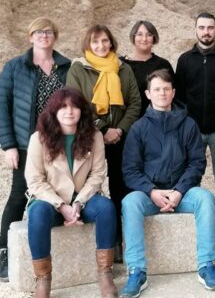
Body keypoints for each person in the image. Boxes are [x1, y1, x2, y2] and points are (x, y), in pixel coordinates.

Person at [120, 70, 215, 297]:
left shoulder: (188, 125)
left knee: (206, 198)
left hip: (182, 193)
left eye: (166, 89)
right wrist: (151, 191)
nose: (162, 93)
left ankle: (206, 265)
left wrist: (179, 191)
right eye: (157, 89)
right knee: (129, 202)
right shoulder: (138, 128)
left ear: (173, 92)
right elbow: (130, 170)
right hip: (149, 195)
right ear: (148, 94)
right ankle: (137, 271)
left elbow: (197, 163)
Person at [25, 88, 117, 298]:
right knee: (37, 213)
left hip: (83, 199)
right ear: (54, 111)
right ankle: (43, 280)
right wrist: (61, 206)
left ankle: (105, 273)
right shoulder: (39, 138)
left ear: (82, 110)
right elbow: (35, 180)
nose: (69, 111)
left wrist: (78, 203)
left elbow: (97, 174)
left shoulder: (94, 136)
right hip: (50, 201)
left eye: (74, 106)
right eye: (63, 107)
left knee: (106, 208)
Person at [0, 17, 70, 281]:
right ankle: (4, 254)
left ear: (55, 36)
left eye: (48, 31)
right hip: (25, 143)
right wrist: (8, 145)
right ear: (30, 37)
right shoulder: (14, 67)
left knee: (61, 191)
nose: (43, 35)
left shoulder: (66, 66)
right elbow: (2, 107)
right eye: (38, 32)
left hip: (60, 143)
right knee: (19, 195)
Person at [66, 25, 141, 261]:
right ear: (88, 44)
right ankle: (98, 245)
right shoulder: (78, 68)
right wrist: (103, 129)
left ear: (111, 43)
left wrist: (120, 129)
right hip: (89, 137)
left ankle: (121, 241)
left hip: (121, 138)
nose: (101, 46)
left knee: (121, 188)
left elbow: (135, 102)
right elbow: (76, 103)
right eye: (95, 41)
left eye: (105, 41)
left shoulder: (123, 68)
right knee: (90, 186)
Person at [175, 12, 215, 208]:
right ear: (195, 30)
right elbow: (179, 95)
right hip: (193, 130)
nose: (206, 32)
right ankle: (194, 213)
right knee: (191, 174)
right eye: (201, 28)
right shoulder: (185, 60)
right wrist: (185, 121)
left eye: (210, 28)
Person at [121, 20, 175, 117]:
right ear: (133, 37)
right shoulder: (122, 64)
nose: (144, 39)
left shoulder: (163, 64)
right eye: (139, 34)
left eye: (149, 35)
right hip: (128, 120)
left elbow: (173, 97)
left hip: (157, 120)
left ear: (154, 38)